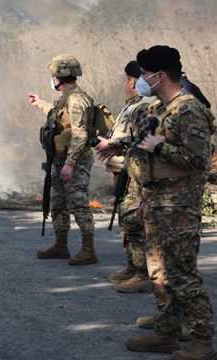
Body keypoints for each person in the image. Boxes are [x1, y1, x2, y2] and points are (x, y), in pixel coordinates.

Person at [124, 45, 217, 360]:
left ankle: (202, 342)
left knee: (182, 275)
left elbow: (197, 159)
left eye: (147, 74)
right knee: (160, 273)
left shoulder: (188, 109)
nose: (143, 79)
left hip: (179, 208)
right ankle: (167, 332)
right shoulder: (163, 108)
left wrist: (160, 146)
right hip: (158, 203)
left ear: (160, 76)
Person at [29, 54, 98, 266]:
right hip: (60, 159)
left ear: (61, 76)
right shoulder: (66, 98)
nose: (52, 79)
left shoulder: (77, 100)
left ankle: (88, 250)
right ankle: (61, 246)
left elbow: (80, 135)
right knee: (58, 203)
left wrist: (70, 164)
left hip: (73, 161)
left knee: (78, 203)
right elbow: (58, 116)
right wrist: (39, 103)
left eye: (54, 75)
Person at [94, 61, 154, 293]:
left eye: (128, 80)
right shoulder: (134, 105)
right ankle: (133, 267)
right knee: (127, 220)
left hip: (137, 172)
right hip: (126, 169)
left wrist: (115, 145)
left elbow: (143, 139)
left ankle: (142, 273)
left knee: (134, 221)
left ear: (132, 81)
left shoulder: (144, 107)